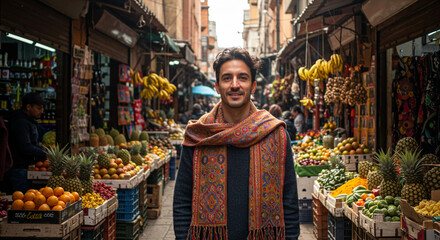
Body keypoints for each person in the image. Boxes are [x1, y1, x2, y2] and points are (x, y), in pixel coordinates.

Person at [173, 48, 299, 240]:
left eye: (242, 77)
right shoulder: (200, 135)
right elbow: (182, 200)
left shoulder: (275, 134)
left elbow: (289, 200)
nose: (234, 85)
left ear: (253, 85)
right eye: (226, 78)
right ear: (217, 86)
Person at [7, 92, 47, 192]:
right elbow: (25, 146)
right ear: (28, 107)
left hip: (25, 169)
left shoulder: (29, 120)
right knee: (22, 200)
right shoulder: (20, 122)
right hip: (19, 169)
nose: (42, 111)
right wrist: (44, 153)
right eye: (39, 108)